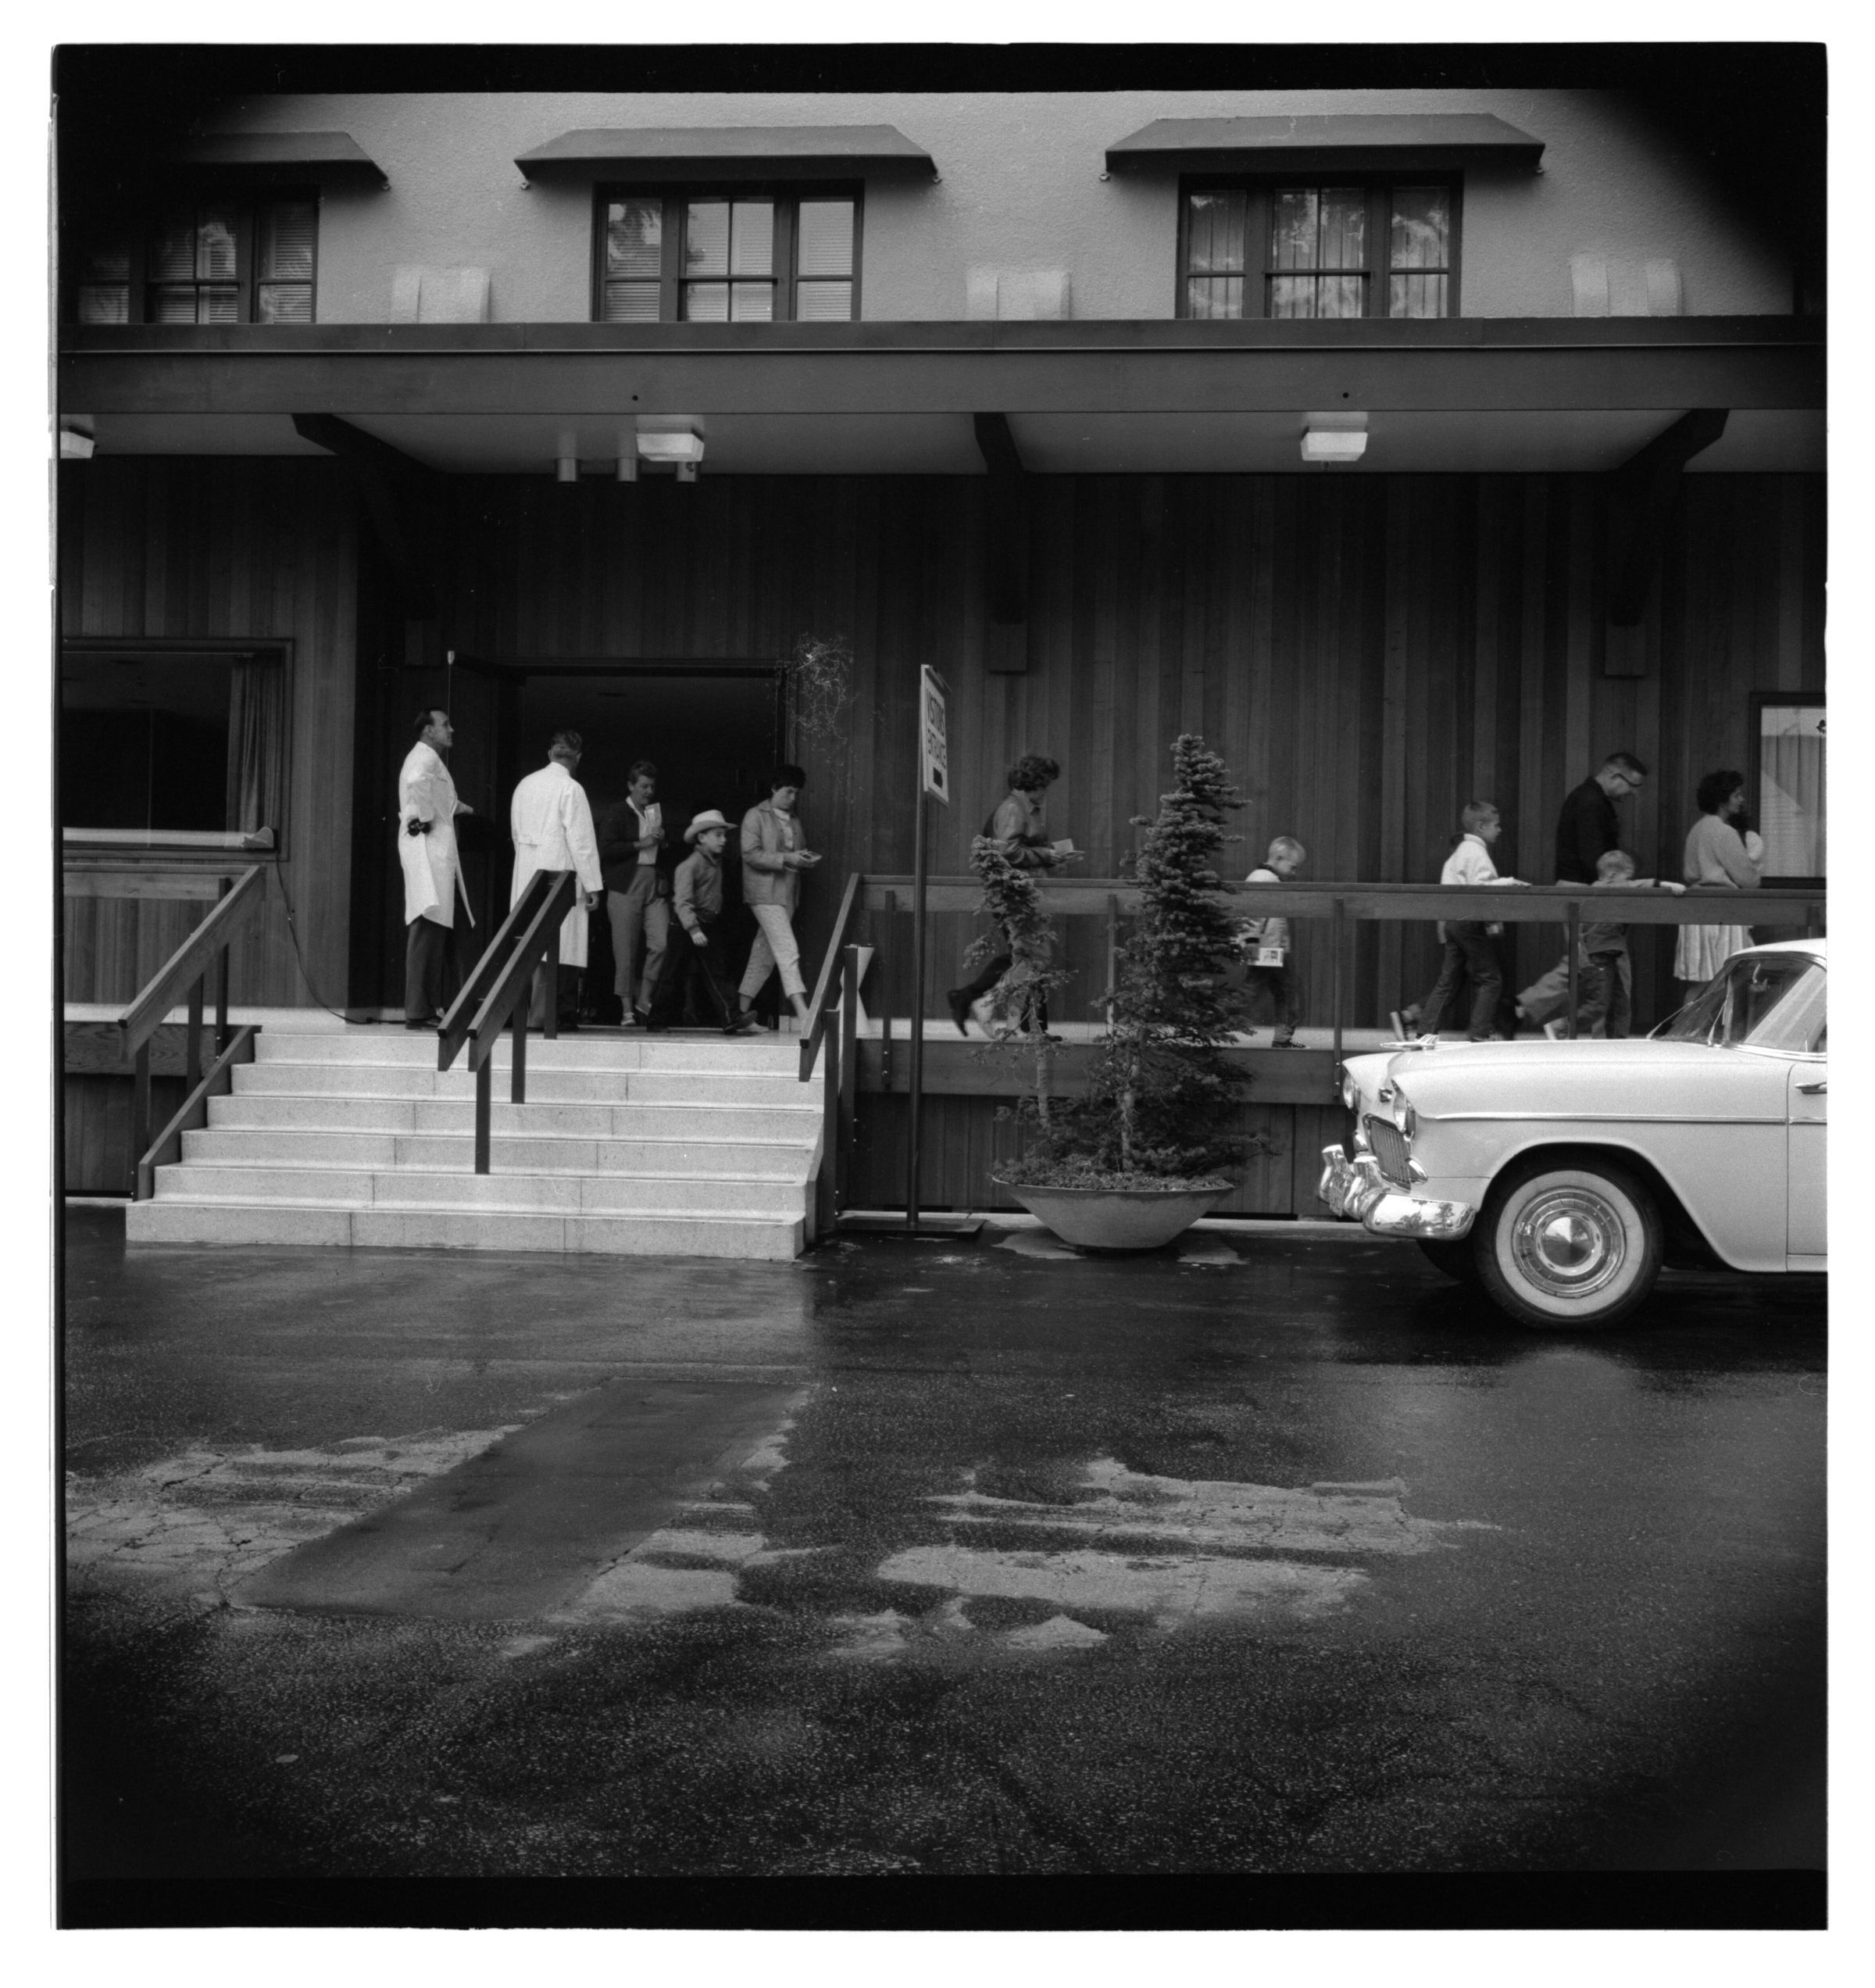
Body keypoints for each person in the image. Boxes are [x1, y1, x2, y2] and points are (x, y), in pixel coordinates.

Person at [945, 753, 1080, 1035]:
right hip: (1015, 896)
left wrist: (1050, 856)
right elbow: (1008, 851)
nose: (1045, 792)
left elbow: (1016, 850)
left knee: (1029, 956)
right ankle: (991, 1006)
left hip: (1022, 893)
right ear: (1031, 783)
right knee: (1031, 956)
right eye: (1043, 785)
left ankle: (1028, 1026)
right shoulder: (1014, 809)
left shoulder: (1024, 809)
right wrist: (1046, 855)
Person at [1516, 750, 1650, 1032]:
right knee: (1600, 968)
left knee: (1591, 967)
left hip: (1583, 892)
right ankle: (1527, 1008)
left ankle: (1525, 1007)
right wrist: (1618, 884)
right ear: (1614, 774)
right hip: (1588, 895)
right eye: (1632, 785)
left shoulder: (1588, 799)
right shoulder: (1591, 803)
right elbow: (1594, 860)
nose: (1632, 793)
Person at [509, 731, 603, 1032]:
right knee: (558, 943)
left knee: (531, 940)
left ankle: (534, 1013)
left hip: (527, 871)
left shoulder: (525, 785)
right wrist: (592, 884)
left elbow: (515, 832)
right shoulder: (571, 788)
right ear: (578, 757)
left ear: (550, 753)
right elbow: (582, 842)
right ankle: (544, 1015)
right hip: (560, 872)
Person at [1412, 802, 1529, 1041]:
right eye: (1496, 825)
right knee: (1491, 979)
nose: (1500, 830)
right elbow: (1481, 889)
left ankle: (1425, 1031)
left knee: (1448, 980)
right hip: (1469, 922)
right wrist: (1509, 883)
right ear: (1481, 826)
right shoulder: (1476, 852)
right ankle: (1478, 1033)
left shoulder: (1459, 853)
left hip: (1453, 921)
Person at [647, 810, 761, 1035]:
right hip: (686, 925)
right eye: (718, 835)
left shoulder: (715, 863)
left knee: (718, 971)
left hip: (708, 923)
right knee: (671, 973)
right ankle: (656, 1020)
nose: (723, 840)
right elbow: (682, 902)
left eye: (723, 835)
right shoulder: (689, 866)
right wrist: (693, 929)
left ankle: (731, 1017)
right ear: (701, 838)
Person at [396, 708, 476, 1029]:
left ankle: (434, 1006)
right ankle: (419, 1010)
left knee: (439, 928)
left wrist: (463, 808)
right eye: (445, 725)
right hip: (428, 852)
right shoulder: (425, 757)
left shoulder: (429, 758)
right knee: (427, 926)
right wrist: (427, 816)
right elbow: (417, 783)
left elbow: (442, 797)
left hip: (436, 854)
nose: (451, 730)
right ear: (429, 731)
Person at [1566, 849, 1686, 1039]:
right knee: (1600, 1003)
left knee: (1619, 1001)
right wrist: (1665, 884)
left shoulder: (1595, 891)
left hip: (1611, 952)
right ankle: (1563, 1027)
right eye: (1628, 877)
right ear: (1612, 876)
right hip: (1600, 954)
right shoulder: (1603, 888)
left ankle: (1617, 1039)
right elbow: (1636, 886)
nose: (1630, 882)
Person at [737, 764, 822, 1030]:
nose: (793, 798)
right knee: (787, 949)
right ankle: (803, 1013)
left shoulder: (794, 820)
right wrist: (788, 858)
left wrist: (803, 860)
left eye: (796, 793)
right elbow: (750, 854)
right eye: (788, 792)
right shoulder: (755, 816)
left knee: (763, 956)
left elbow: (795, 855)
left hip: (787, 895)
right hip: (763, 894)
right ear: (774, 788)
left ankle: (738, 1013)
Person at [1673, 767, 1762, 1003]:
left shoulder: (1697, 829)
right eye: (1737, 795)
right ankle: (1714, 1025)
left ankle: (1691, 1024)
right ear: (1722, 799)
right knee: (1725, 978)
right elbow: (1749, 880)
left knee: (1701, 983)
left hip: (1696, 911)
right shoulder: (1723, 831)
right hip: (1722, 910)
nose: (1741, 800)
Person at [597, 760, 671, 1027]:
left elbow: (660, 849)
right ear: (631, 786)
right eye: (644, 786)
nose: (649, 791)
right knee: (625, 950)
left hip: (652, 882)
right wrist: (642, 843)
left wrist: (662, 840)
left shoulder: (654, 812)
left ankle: (644, 998)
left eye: (652, 787)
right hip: (625, 884)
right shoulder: (617, 811)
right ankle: (627, 1010)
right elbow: (606, 849)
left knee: (661, 943)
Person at [1239, 835, 1306, 1047]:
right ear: (1278, 859)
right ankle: (1216, 1018)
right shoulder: (1264, 878)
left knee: (1281, 991)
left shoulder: (1267, 878)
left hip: (1272, 949)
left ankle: (1282, 1038)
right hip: (1267, 949)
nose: (1294, 873)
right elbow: (1253, 912)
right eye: (1293, 867)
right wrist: (1251, 939)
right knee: (1282, 991)